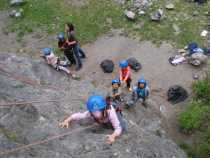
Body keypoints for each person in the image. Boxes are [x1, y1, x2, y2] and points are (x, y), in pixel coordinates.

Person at [59, 95, 125, 144]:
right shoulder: (91, 112)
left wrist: (113, 136)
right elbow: (80, 115)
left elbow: (118, 128)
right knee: (103, 123)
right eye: (93, 111)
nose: (95, 114)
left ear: (103, 109)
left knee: (122, 127)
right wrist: (67, 120)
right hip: (105, 117)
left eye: (97, 111)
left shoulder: (110, 112)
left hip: (114, 112)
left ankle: (117, 103)